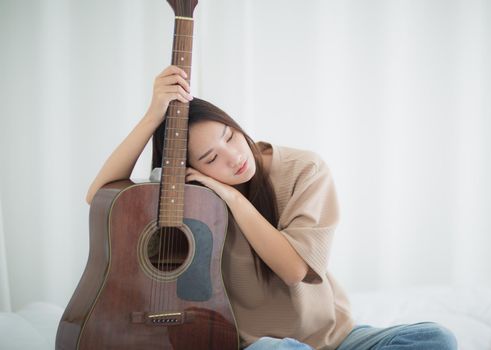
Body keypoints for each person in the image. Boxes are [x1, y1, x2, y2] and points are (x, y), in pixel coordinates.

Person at [86, 65, 458, 350]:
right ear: (191, 170)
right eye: (212, 157)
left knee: (435, 337)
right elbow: (100, 197)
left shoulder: (304, 169)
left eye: (230, 136)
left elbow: (294, 268)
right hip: (258, 345)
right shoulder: (189, 197)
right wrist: (154, 114)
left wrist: (231, 196)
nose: (234, 158)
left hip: (334, 338)